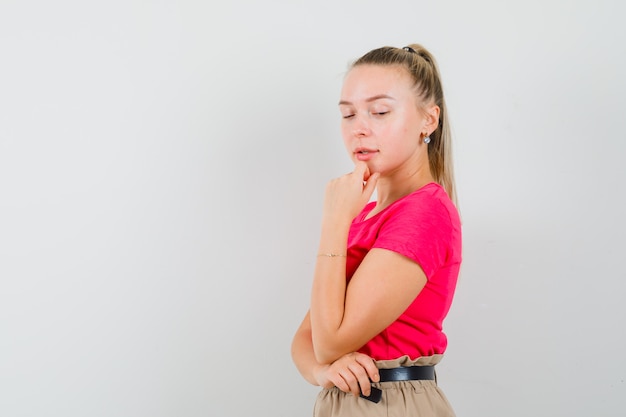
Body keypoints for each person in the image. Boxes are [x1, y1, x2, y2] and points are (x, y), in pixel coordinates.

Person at [290, 44, 462, 417]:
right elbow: (307, 341)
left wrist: (334, 222)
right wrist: (325, 371)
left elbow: (331, 340)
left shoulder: (424, 211)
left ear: (428, 120)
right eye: (348, 114)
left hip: (390, 402)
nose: (360, 128)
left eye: (380, 111)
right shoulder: (366, 215)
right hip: (348, 400)